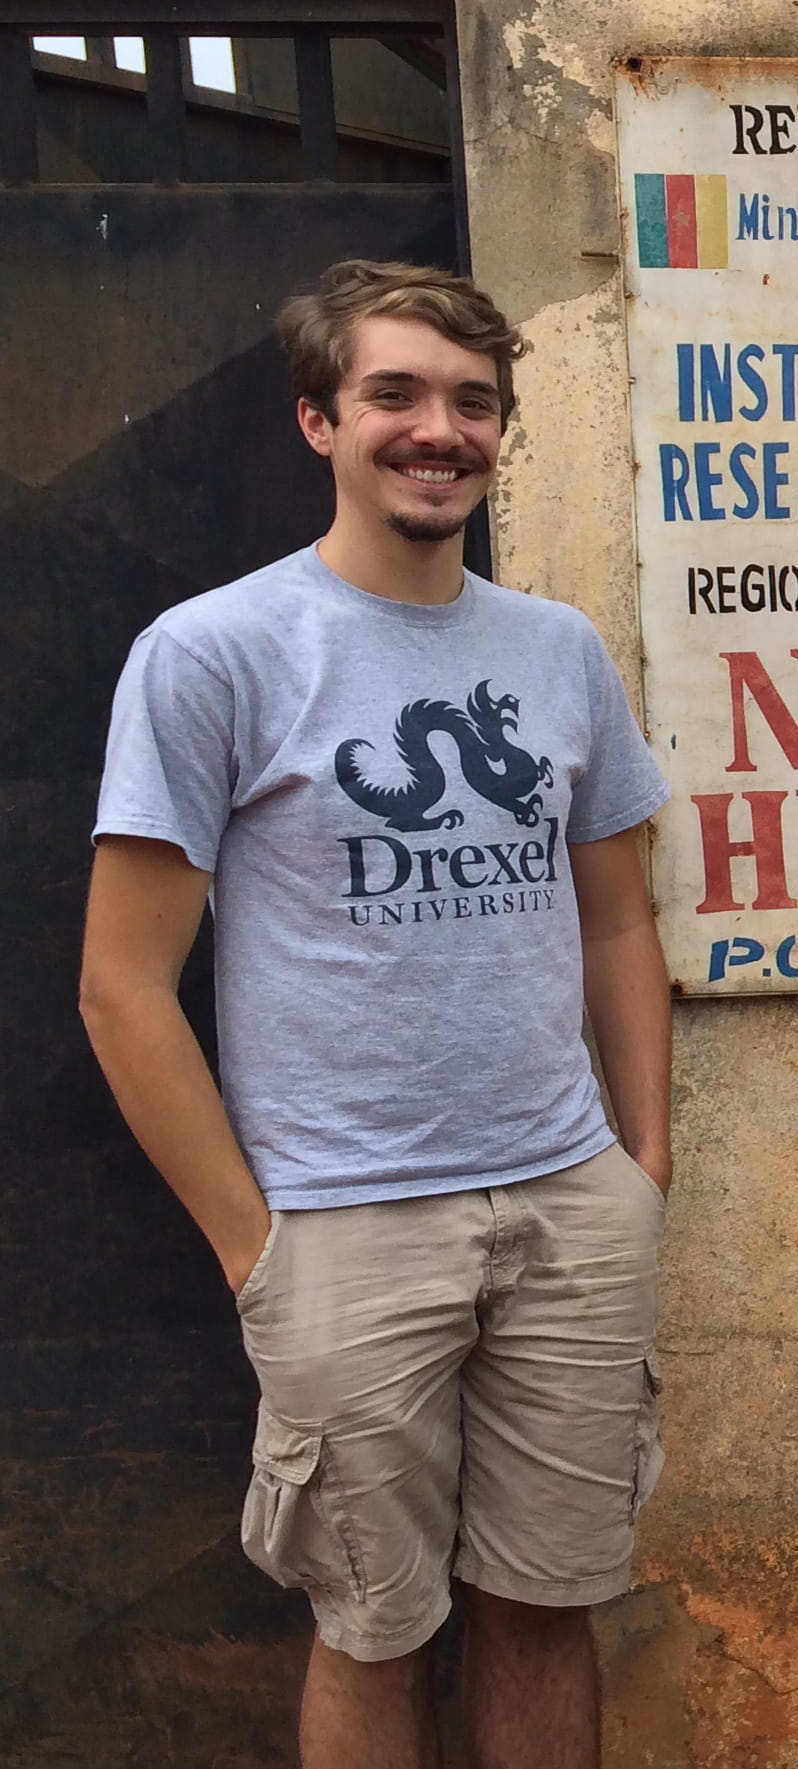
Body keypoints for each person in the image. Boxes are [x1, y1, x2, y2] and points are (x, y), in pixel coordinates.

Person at [77, 261, 673, 1769]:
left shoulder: (555, 653)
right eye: (395, 394)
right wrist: (250, 1248)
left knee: (546, 1604)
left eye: (472, 402)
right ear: (319, 419)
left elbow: (618, 917)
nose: (437, 429)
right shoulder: (215, 652)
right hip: (339, 1226)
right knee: (374, 1623)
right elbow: (123, 983)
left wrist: (638, 1173)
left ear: (501, 432)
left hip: (560, 1206)